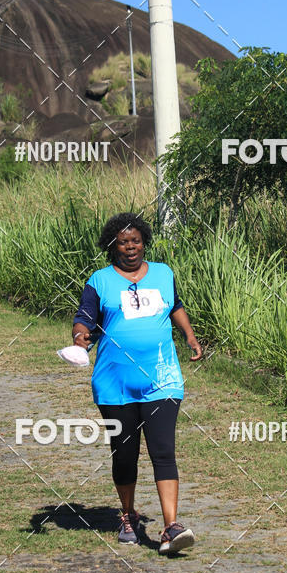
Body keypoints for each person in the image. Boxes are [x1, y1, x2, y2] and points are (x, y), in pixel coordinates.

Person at [72, 212, 202, 554]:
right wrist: (80, 338)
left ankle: (171, 527)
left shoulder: (163, 273)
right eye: (123, 242)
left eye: (136, 241)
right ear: (113, 246)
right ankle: (128, 515)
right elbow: (85, 318)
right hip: (115, 384)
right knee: (125, 454)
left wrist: (189, 336)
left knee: (163, 450)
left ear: (144, 242)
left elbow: (175, 306)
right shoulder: (100, 281)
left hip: (163, 378)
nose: (130, 247)